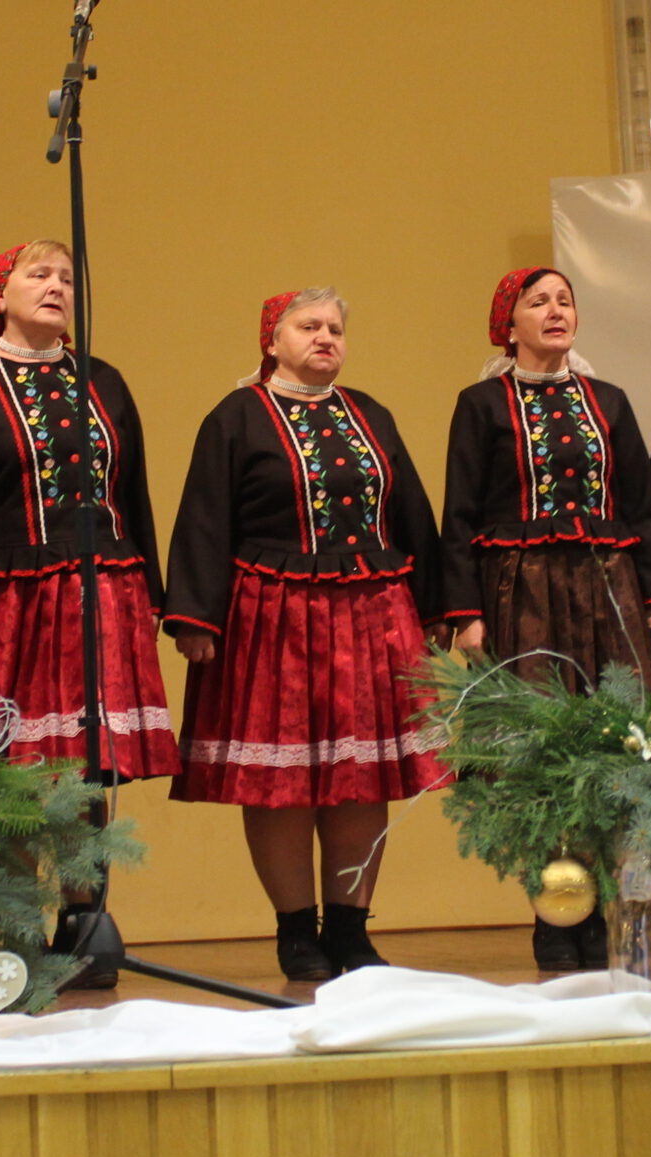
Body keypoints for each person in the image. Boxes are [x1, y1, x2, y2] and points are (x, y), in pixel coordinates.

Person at [164, 289, 447, 981]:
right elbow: (204, 516)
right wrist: (196, 615)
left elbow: (410, 510)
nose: (326, 337)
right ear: (272, 340)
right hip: (273, 620)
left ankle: (350, 931)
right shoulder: (236, 417)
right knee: (281, 781)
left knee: (361, 776)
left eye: (335, 328)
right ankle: (296, 931)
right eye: (309, 326)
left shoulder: (369, 413)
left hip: (370, 615)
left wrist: (439, 606)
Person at [0, 241, 176, 986]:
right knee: (12, 763)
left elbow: (134, 490)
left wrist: (151, 593)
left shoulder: (103, 379)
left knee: (87, 762)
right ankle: (8, 924)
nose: (57, 287)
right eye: (39, 275)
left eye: (66, 277)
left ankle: (83, 915)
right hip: (10, 595)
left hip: (101, 588)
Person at [441, 266, 651, 970]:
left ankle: (608, 907)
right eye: (538, 301)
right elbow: (459, 513)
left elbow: (644, 506)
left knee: (618, 744)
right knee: (539, 752)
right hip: (524, 594)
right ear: (507, 323)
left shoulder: (608, 401)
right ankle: (555, 910)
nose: (555, 311)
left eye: (565, 301)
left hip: (608, 589)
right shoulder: (482, 404)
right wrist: (467, 614)